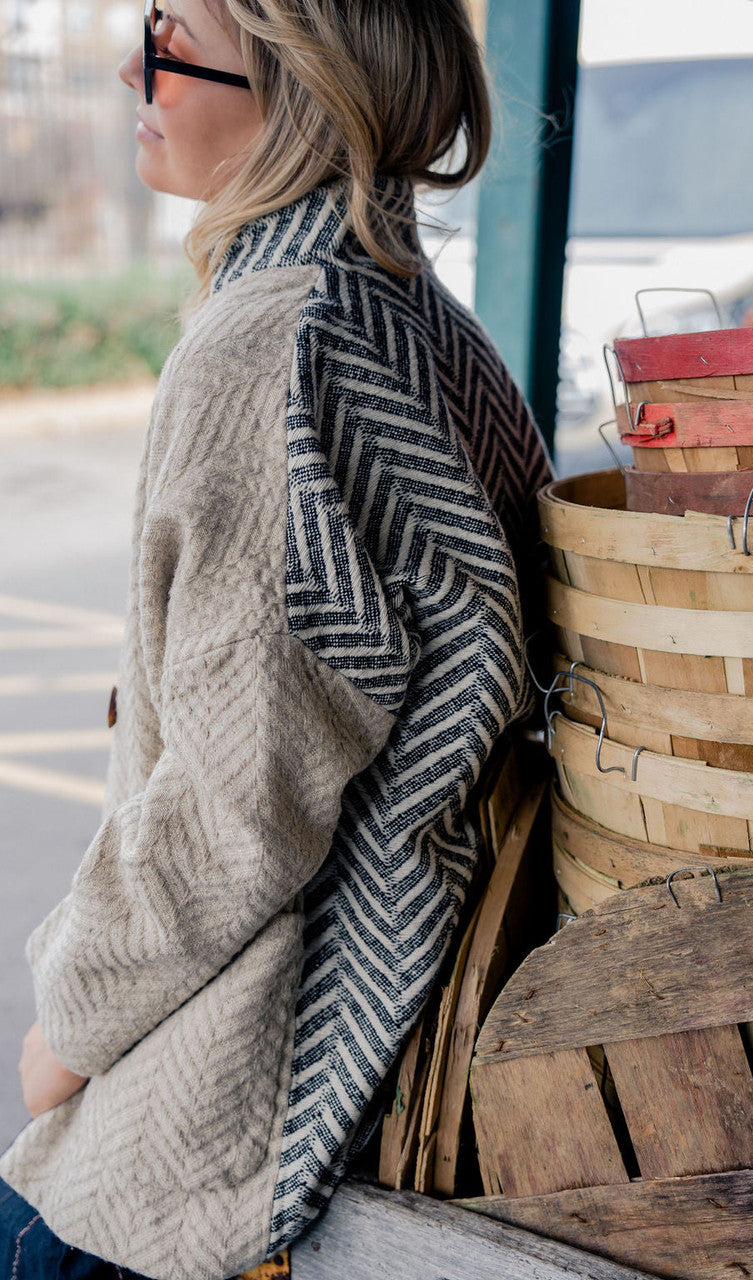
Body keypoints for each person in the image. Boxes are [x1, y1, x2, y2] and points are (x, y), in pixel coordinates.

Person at [0, 1, 553, 1276]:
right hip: (387, 1021)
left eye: (171, 29)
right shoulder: (418, 322)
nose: (134, 65)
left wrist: (68, 1026)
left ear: (306, 80)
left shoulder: (273, 343)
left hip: (240, 1084)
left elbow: (238, 795)